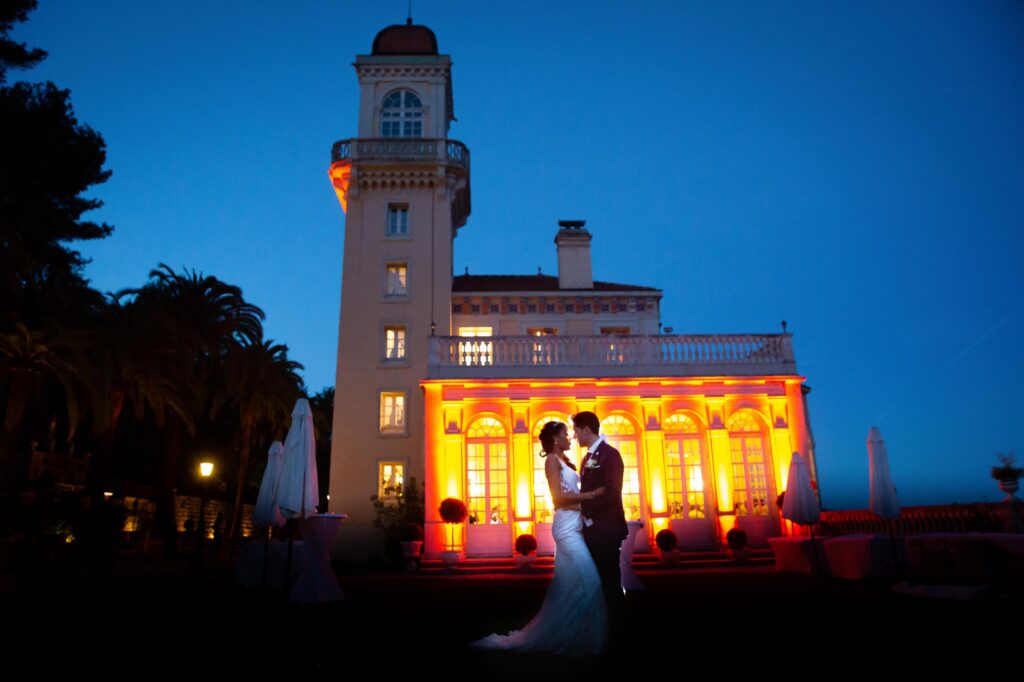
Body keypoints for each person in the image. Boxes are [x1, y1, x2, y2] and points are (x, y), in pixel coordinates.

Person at [470, 421, 608, 656]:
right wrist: (589, 495)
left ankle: (571, 636)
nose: (570, 438)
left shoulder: (566, 461)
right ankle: (585, 640)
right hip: (565, 529)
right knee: (592, 581)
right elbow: (557, 498)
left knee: (567, 587)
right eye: (566, 434)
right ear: (555, 438)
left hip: (576, 527)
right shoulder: (551, 461)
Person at [573, 410, 629, 655]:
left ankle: (619, 634)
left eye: (576, 430)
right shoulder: (587, 459)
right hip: (592, 531)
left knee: (610, 583)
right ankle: (603, 630)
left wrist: (585, 509)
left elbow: (612, 492)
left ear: (586, 429)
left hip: (606, 529)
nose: (574, 435)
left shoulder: (610, 455)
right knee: (597, 582)